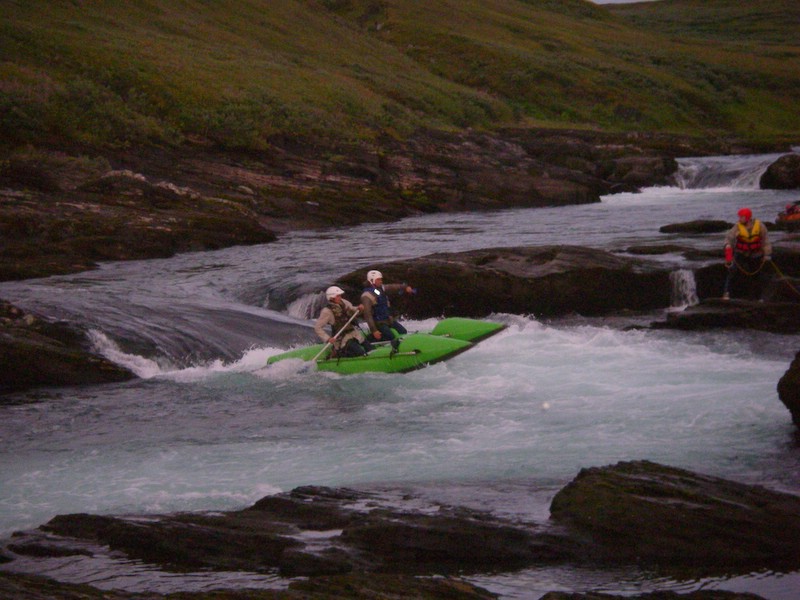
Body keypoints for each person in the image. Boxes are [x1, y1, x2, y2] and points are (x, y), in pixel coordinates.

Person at [722, 207, 772, 301]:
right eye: (740, 217)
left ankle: (758, 297)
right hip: (741, 253)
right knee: (732, 272)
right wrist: (728, 245)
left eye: (742, 217)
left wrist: (767, 255)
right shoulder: (737, 227)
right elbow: (729, 238)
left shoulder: (760, 226)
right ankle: (727, 293)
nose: (740, 219)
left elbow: (766, 241)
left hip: (756, 254)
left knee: (757, 276)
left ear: (748, 217)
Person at [314, 286, 371, 357]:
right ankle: (338, 353)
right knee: (359, 352)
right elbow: (317, 327)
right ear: (331, 298)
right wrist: (328, 338)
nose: (340, 297)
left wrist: (359, 308)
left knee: (369, 348)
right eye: (338, 296)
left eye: (340, 295)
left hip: (354, 333)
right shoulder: (327, 311)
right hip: (342, 339)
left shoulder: (344, 302)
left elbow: (353, 309)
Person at [360, 270, 415, 343]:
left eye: (381, 279)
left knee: (403, 331)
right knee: (391, 337)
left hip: (388, 319)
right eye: (378, 280)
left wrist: (404, 287)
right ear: (372, 281)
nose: (381, 281)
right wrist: (374, 330)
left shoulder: (381, 289)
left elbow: (393, 287)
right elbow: (368, 315)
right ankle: (370, 339)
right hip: (378, 323)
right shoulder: (366, 296)